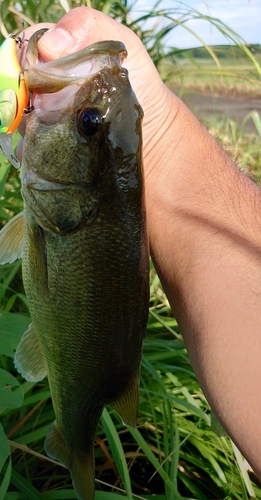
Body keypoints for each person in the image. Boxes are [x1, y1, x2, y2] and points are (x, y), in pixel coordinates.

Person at [17, 7, 261, 478]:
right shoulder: (69, 207)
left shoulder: (69, 210)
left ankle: (74, 442)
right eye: (92, 122)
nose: (90, 118)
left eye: (88, 123)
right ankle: (77, 443)